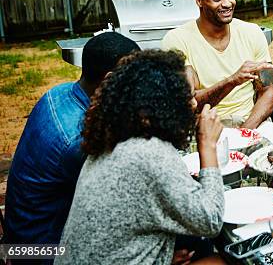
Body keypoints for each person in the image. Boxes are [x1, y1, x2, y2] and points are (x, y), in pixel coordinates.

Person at [56, 50, 225, 264]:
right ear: (155, 105)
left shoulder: (113, 135)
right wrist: (207, 145)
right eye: (186, 96)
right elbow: (211, 220)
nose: (193, 104)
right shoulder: (149, 153)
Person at [4, 32, 140, 249]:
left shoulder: (60, 92)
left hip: (20, 234)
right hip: (40, 251)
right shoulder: (78, 141)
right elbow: (122, 204)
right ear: (109, 80)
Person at [162, 0, 273, 129]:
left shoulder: (252, 32)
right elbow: (188, 103)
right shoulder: (177, 40)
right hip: (205, 127)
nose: (227, 3)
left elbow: (269, 88)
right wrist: (232, 80)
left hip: (251, 122)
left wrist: (245, 131)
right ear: (199, 1)